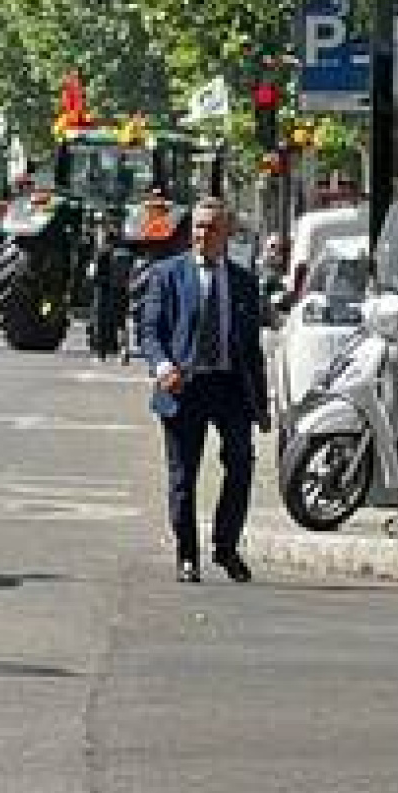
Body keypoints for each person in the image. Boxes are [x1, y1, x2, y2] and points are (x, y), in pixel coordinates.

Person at [135, 197, 268, 583]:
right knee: (183, 476)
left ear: (226, 233)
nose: (201, 234)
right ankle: (187, 555)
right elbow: (149, 330)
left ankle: (226, 547)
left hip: (228, 386)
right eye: (197, 226)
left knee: (241, 466)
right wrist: (162, 368)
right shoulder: (167, 275)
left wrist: (260, 405)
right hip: (183, 386)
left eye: (211, 227)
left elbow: (251, 347)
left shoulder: (244, 282)